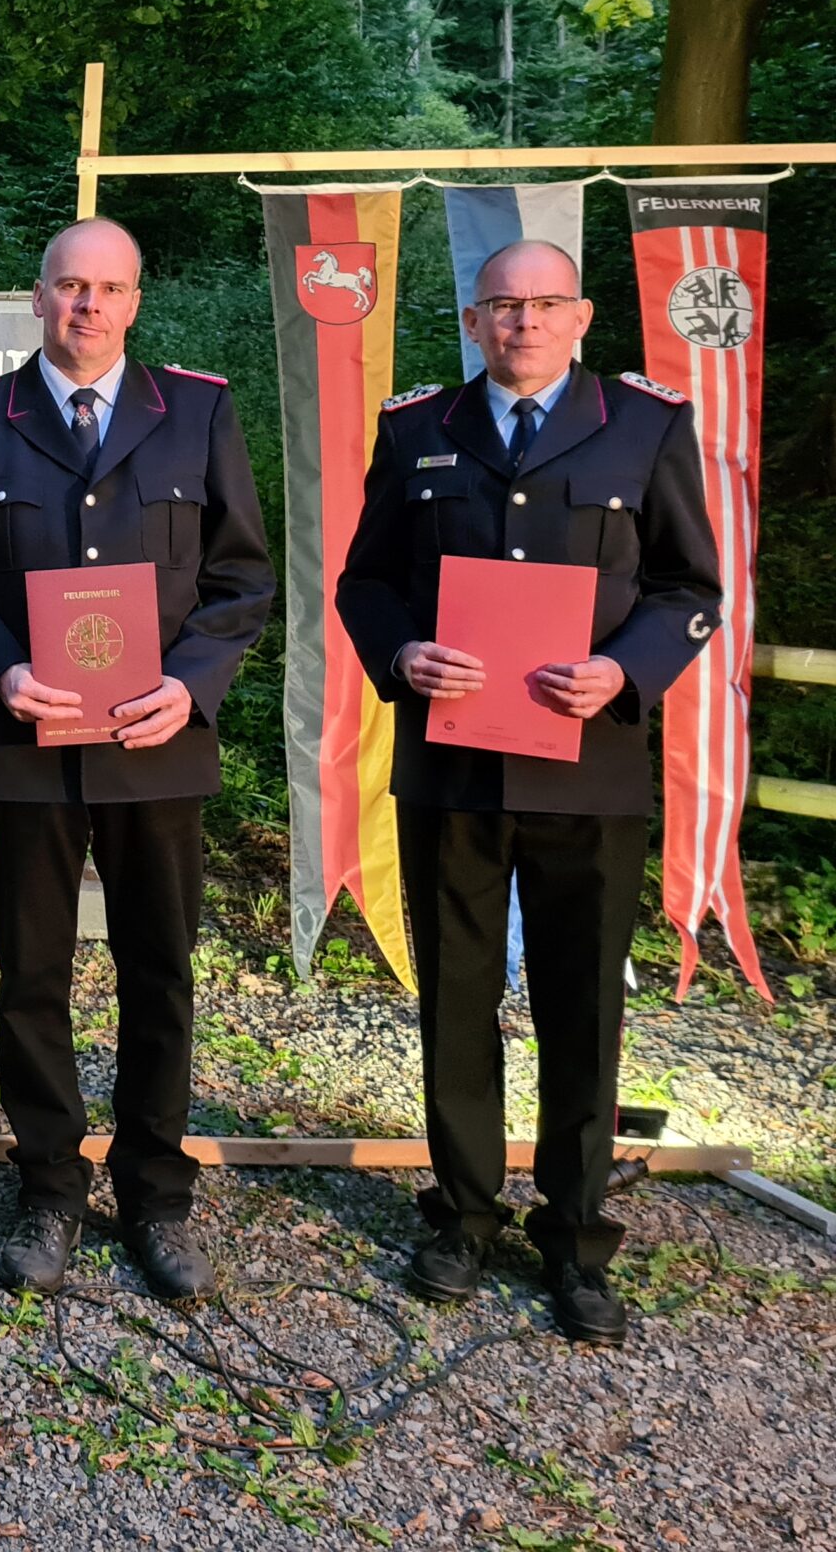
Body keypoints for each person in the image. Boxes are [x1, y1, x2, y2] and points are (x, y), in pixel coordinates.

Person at [336, 238, 721, 1346]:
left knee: (581, 1004)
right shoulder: (417, 429)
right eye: (503, 306)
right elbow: (366, 581)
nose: (524, 323)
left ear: (582, 316)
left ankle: (575, 1233)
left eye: (546, 303)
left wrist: (625, 670)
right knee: (456, 997)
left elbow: (689, 586)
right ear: (473, 321)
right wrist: (402, 654)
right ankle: (463, 1214)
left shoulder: (645, 427)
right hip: (453, 763)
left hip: (586, 765)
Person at [0, 217, 273, 1302]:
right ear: (38, 297)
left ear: (135, 302)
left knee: (159, 974)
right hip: (30, 743)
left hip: (155, 743)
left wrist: (190, 684)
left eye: (110, 288)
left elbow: (241, 579)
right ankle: (50, 1188)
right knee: (32, 976)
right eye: (70, 285)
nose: (88, 306)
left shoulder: (196, 411)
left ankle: (156, 1195)